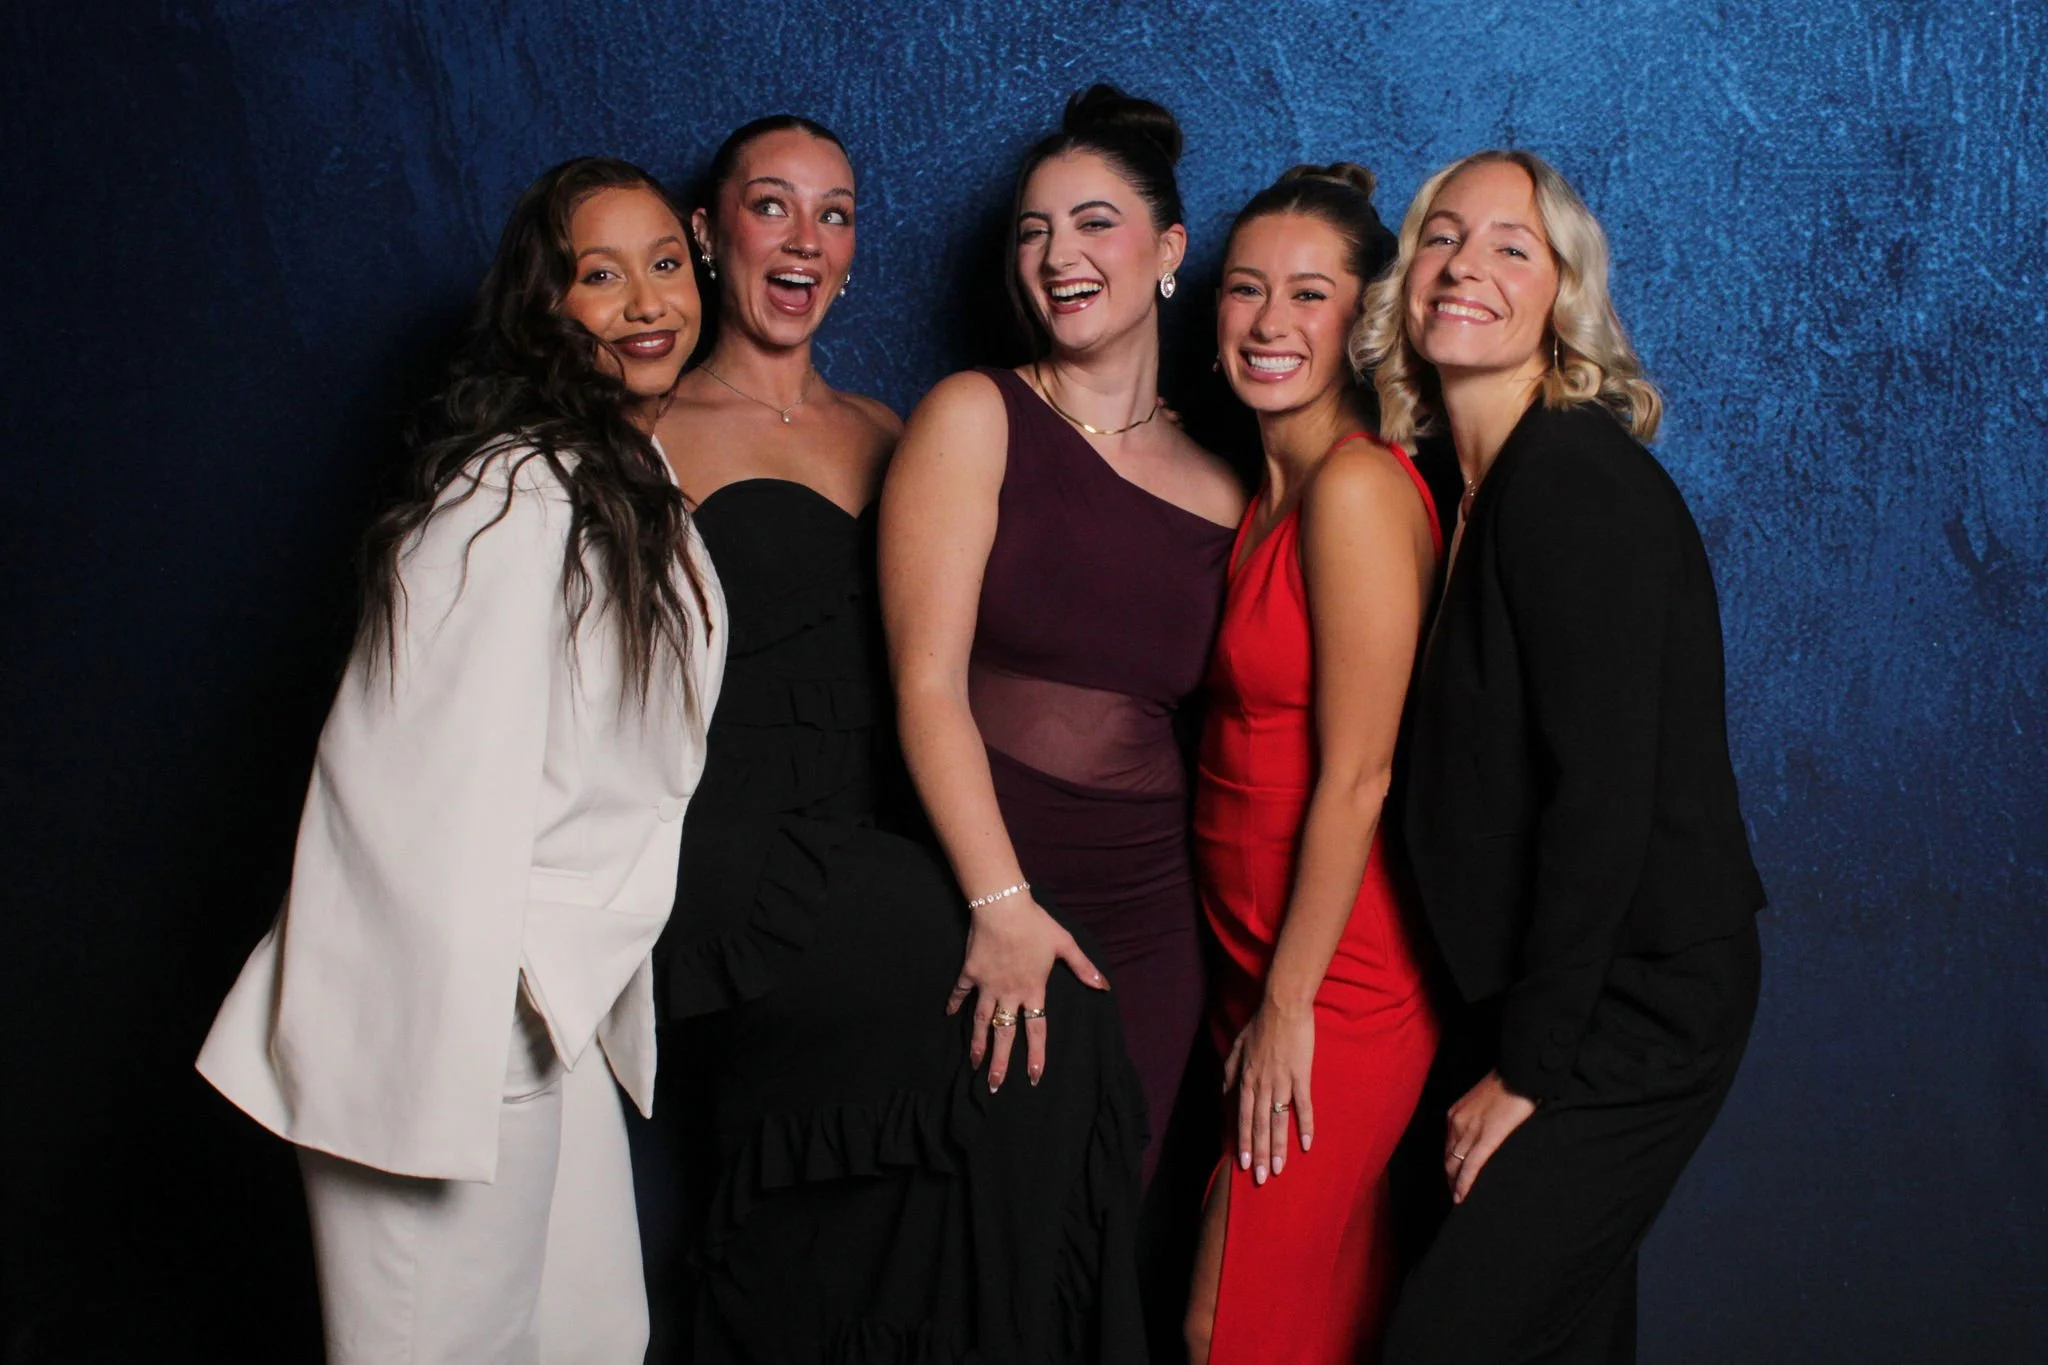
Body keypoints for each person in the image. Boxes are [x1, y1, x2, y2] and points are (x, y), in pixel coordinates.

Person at [195, 157, 727, 1364]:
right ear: (546, 305)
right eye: (601, 275)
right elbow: (402, 788)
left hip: (550, 1002)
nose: (648, 301)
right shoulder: (510, 497)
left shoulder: (632, 481)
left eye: (663, 264)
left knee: (591, 1335)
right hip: (450, 1005)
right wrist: (464, 1038)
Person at [646, 114, 1147, 1363]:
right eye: (771, 205)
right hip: (730, 855)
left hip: (872, 837)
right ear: (707, 233)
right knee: (1055, 1025)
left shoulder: (890, 429)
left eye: (835, 213)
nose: (804, 239)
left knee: (914, 1183)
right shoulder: (642, 429)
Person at [1357, 150, 1767, 1363]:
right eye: (1440, 236)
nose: (1463, 266)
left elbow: (1602, 798)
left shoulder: (1569, 480)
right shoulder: (1460, 488)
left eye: (1510, 247)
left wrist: (1530, 1071)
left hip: (1631, 1000)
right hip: (1541, 987)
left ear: (1561, 297)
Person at [880, 83, 1243, 1195]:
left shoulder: (1228, 485)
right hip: (982, 883)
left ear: (1168, 250)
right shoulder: (974, 415)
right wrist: (999, 906)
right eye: (1033, 231)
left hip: (1152, 908)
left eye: (1093, 223)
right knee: (978, 1216)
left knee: (1111, 1215)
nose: (1057, 255)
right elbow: (925, 685)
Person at [1178, 164, 1443, 1365]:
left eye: (1307, 293)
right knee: (1313, 1320)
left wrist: (1287, 1006)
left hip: (1333, 982)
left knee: (1222, 1323)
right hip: (1253, 965)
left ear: (1361, 322)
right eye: (1244, 290)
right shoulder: (1263, 495)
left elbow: (1358, 776)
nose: (1267, 322)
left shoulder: (1352, 489)